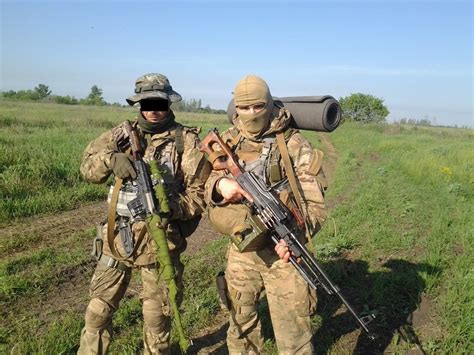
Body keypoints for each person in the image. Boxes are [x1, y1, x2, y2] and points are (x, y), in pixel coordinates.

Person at [78, 73, 210, 354]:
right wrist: (109, 159)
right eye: (147, 103)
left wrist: (172, 208)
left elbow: (200, 195)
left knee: (157, 317)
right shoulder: (119, 135)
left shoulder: (184, 141)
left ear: (168, 103)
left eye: (158, 103)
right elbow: (87, 168)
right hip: (117, 240)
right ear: (138, 104)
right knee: (97, 311)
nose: (153, 110)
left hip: (160, 242)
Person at [205, 75, 328, 354]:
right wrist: (219, 185)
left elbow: (315, 204)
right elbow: (202, 187)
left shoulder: (294, 145)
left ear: (270, 104)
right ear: (235, 108)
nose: (251, 114)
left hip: (284, 255)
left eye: (258, 106)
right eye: (244, 108)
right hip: (242, 249)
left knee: (294, 335)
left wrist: (295, 235)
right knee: (240, 327)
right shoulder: (226, 141)